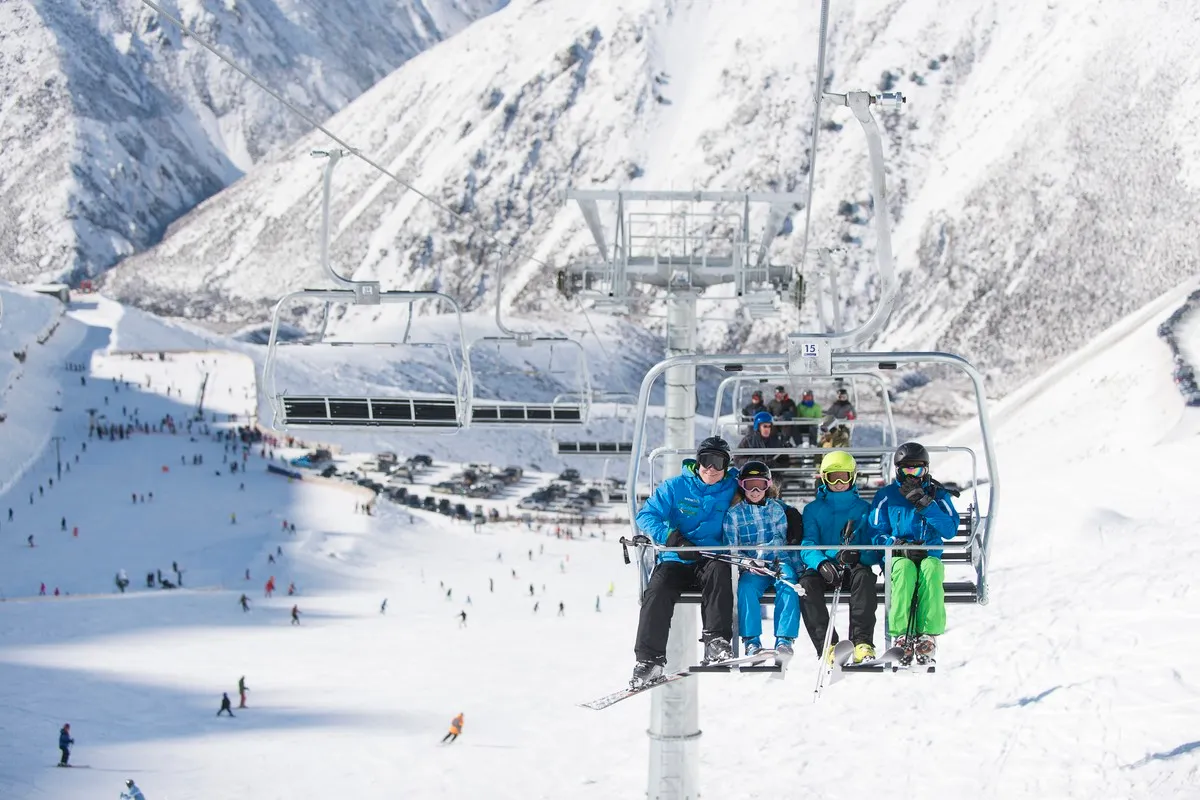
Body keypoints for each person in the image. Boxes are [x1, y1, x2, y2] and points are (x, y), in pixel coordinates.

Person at [629, 436, 740, 688]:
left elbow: (760, 494)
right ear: (697, 462)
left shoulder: (733, 488)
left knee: (721, 571)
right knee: (657, 590)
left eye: (717, 462)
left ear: (726, 465)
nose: (710, 469)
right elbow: (647, 515)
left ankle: (716, 641)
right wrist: (673, 539)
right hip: (676, 557)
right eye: (705, 461)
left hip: (711, 557)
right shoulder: (676, 487)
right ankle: (649, 659)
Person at [868, 442, 958, 664]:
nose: (913, 475)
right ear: (898, 470)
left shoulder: (937, 495)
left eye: (917, 469)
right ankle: (901, 634)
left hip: (928, 554)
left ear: (926, 470)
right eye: (907, 469)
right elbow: (875, 532)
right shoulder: (887, 496)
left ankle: (928, 634)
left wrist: (925, 504)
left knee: (931, 568)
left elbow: (950, 530)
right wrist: (894, 542)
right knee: (905, 570)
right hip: (898, 556)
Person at [798, 450, 879, 663]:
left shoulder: (863, 509)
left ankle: (862, 642)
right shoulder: (813, 510)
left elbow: (873, 549)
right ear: (824, 478)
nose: (840, 482)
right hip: (825, 567)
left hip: (853, 567)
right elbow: (808, 543)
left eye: (844, 476)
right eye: (834, 477)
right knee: (805, 584)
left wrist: (858, 554)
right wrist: (821, 562)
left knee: (865, 577)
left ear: (853, 477)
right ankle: (827, 645)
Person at [720, 461, 797, 657]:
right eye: (749, 485)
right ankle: (752, 640)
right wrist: (746, 562)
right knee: (745, 588)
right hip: (754, 567)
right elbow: (731, 548)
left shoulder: (776, 510)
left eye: (760, 485)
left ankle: (784, 639)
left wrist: (795, 566)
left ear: (768, 486)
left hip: (778, 562)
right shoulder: (734, 514)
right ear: (741, 486)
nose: (755, 491)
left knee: (788, 584)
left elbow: (783, 541)